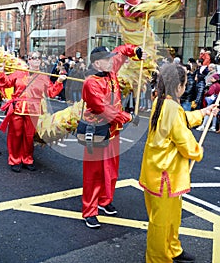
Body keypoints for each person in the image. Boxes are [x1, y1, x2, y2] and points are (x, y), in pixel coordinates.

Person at [139, 63, 219, 263]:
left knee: (172, 217)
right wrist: (197, 151)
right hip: (164, 176)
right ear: (179, 86)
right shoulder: (172, 107)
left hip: (160, 172)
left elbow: (181, 120)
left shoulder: (161, 102)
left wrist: (204, 112)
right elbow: (184, 140)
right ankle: (158, 258)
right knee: (161, 222)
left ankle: (172, 248)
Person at [81, 44, 146, 229]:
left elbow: (122, 51)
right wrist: (129, 117)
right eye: (107, 59)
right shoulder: (90, 83)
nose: (112, 61)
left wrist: (135, 51)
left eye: (111, 59)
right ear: (97, 63)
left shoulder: (110, 71)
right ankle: (90, 210)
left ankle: (104, 200)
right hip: (96, 131)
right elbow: (104, 110)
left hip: (113, 131)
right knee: (93, 173)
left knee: (110, 170)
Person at [0, 51, 67, 172]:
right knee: (16, 135)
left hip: (34, 110)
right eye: (33, 58)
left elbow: (51, 92)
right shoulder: (18, 73)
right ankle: (15, 159)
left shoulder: (43, 77)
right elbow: (6, 83)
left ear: (40, 61)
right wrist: (0, 71)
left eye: (38, 58)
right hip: (18, 109)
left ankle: (27, 159)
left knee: (29, 136)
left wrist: (59, 81)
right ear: (28, 60)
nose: (36, 60)